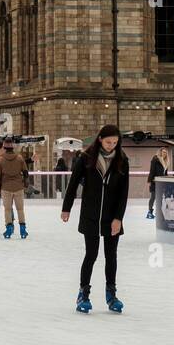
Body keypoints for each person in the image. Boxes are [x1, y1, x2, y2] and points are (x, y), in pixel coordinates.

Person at [61, 125, 129, 312]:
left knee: (111, 255)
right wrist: (66, 208)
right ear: (100, 139)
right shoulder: (86, 159)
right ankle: (83, 294)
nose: (111, 145)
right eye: (108, 142)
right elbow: (73, 184)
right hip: (90, 215)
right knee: (91, 254)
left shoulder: (122, 160)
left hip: (112, 216)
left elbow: (124, 193)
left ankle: (111, 295)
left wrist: (118, 218)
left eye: (115, 142)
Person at [0, 139, 29, 239]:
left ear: (4, 148)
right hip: (18, 187)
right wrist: (26, 183)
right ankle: (23, 230)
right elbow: (25, 172)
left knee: (8, 209)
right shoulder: (19, 158)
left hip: (6, 188)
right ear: (13, 147)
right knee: (20, 209)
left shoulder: (0, 159)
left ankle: (9, 229)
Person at [147, 148, 169, 220]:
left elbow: (165, 173)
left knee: (161, 198)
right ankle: (149, 212)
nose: (164, 154)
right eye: (163, 152)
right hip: (155, 181)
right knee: (153, 197)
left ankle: (159, 212)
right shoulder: (155, 159)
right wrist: (150, 180)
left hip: (162, 182)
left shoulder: (166, 161)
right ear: (160, 152)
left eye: (166, 152)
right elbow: (152, 170)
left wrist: (166, 180)